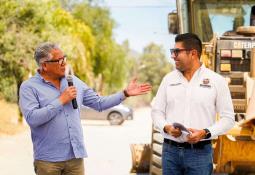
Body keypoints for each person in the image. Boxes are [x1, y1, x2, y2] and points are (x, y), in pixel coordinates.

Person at [19, 42, 151, 175]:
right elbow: (33, 119)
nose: (64, 63)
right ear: (44, 65)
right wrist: (61, 100)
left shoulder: (74, 81)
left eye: (64, 59)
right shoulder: (29, 87)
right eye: (59, 61)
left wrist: (125, 93)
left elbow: (99, 103)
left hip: (75, 158)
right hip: (48, 161)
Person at [151, 33, 235, 175]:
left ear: (193, 53)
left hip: (200, 154)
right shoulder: (168, 80)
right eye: (172, 51)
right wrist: (167, 127)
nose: (173, 56)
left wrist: (205, 133)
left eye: (177, 51)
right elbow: (156, 112)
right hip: (170, 153)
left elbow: (228, 119)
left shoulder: (216, 81)